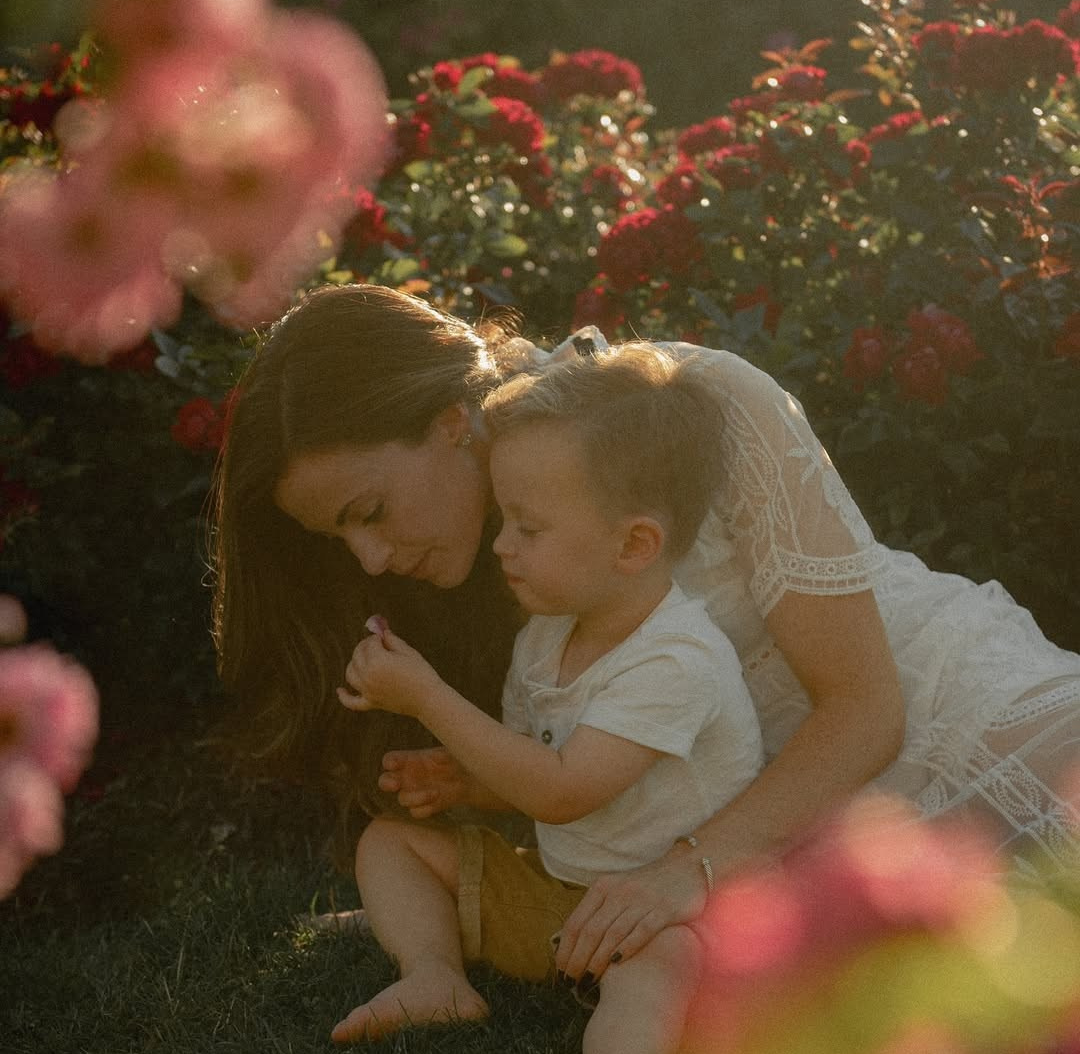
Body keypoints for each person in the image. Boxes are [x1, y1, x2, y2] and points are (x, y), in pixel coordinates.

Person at [211, 283, 1080, 996]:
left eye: (369, 511)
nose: (370, 556)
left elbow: (863, 708)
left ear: (451, 422)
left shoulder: (694, 405)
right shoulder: (482, 557)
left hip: (936, 717)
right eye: (340, 538)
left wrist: (684, 872)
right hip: (757, 818)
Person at [310, 345, 764, 1054]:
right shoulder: (547, 639)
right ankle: (435, 976)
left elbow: (561, 790)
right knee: (392, 841)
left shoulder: (677, 661)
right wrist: (467, 787)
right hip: (566, 898)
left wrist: (427, 699)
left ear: (632, 547)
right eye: (505, 520)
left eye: (529, 527)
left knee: (657, 970)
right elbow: (532, 779)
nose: (500, 546)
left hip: (668, 910)